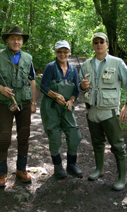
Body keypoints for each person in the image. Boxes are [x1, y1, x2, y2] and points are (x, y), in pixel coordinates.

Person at [79, 32, 127, 191]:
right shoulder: (86, 65)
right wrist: (82, 86)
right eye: (95, 42)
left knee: (118, 146)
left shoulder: (117, 63)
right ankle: (99, 170)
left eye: (101, 42)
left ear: (107, 44)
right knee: (97, 143)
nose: (98, 44)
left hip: (110, 112)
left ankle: (122, 178)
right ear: (93, 45)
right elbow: (81, 86)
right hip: (92, 112)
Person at [0, 26, 37, 187]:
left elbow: (32, 80)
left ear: (22, 42)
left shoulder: (28, 58)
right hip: (4, 103)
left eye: (19, 39)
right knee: (4, 137)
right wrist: (1, 89)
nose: (16, 41)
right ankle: (2, 173)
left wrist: (33, 102)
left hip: (24, 102)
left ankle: (21, 170)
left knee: (24, 135)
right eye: (13, 38)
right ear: (7, 40)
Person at [40, 40, 82, 179]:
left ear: (69, 52)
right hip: (51, 107)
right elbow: (43, 86)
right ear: (56, 52)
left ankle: (72, 165)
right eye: (59, 51)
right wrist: (55, 95)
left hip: (67, 108)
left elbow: (76, 90)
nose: (62, 54)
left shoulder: (73, 70)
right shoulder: (50, 67)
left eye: (65, 51)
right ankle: (58, 167)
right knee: (55, 137)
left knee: (75, 135)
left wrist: (71, 100)